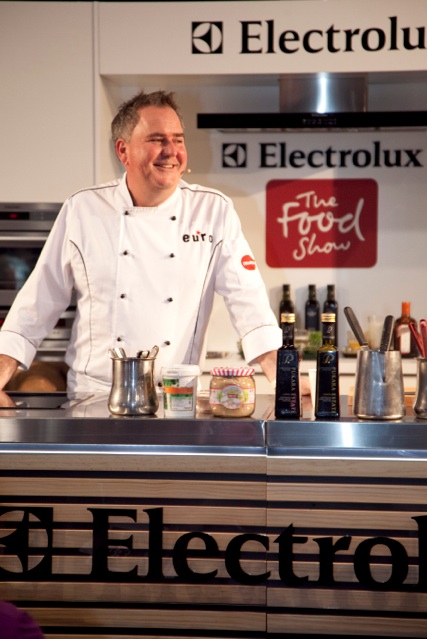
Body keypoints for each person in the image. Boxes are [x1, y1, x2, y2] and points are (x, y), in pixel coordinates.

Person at [0, 90, 283, 403]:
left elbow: (247, 297)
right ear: (124, 151)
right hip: (94, 397)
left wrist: (281, 373)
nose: (171, 151)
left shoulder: (213, 210)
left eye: (178, 139)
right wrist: (5, 361)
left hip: (175, 398)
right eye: (157, 139)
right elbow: (42, 295)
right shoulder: (84, 208)